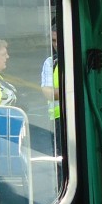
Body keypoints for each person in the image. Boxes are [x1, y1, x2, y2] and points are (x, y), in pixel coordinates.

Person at [39, 25, 61, 162]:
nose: (57, 44)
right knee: (60, 160)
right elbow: (48, 93)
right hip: (58, 120)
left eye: (59, 39)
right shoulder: (50, 62)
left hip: (81, 116)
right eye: (53, 41)